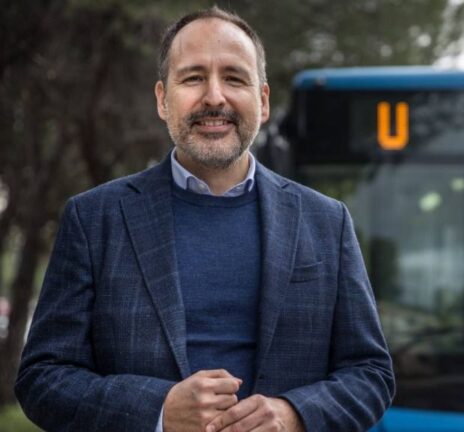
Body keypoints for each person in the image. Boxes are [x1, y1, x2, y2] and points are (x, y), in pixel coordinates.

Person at [15, 6, 395, 432]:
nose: (214, 97)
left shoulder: (327, 222)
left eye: (234, 78)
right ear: (162, 99)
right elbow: (42, 379)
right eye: (193, 77)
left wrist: (294, 415)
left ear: (263, 101)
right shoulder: (94, 219)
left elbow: (370, 374)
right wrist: (158, 410)